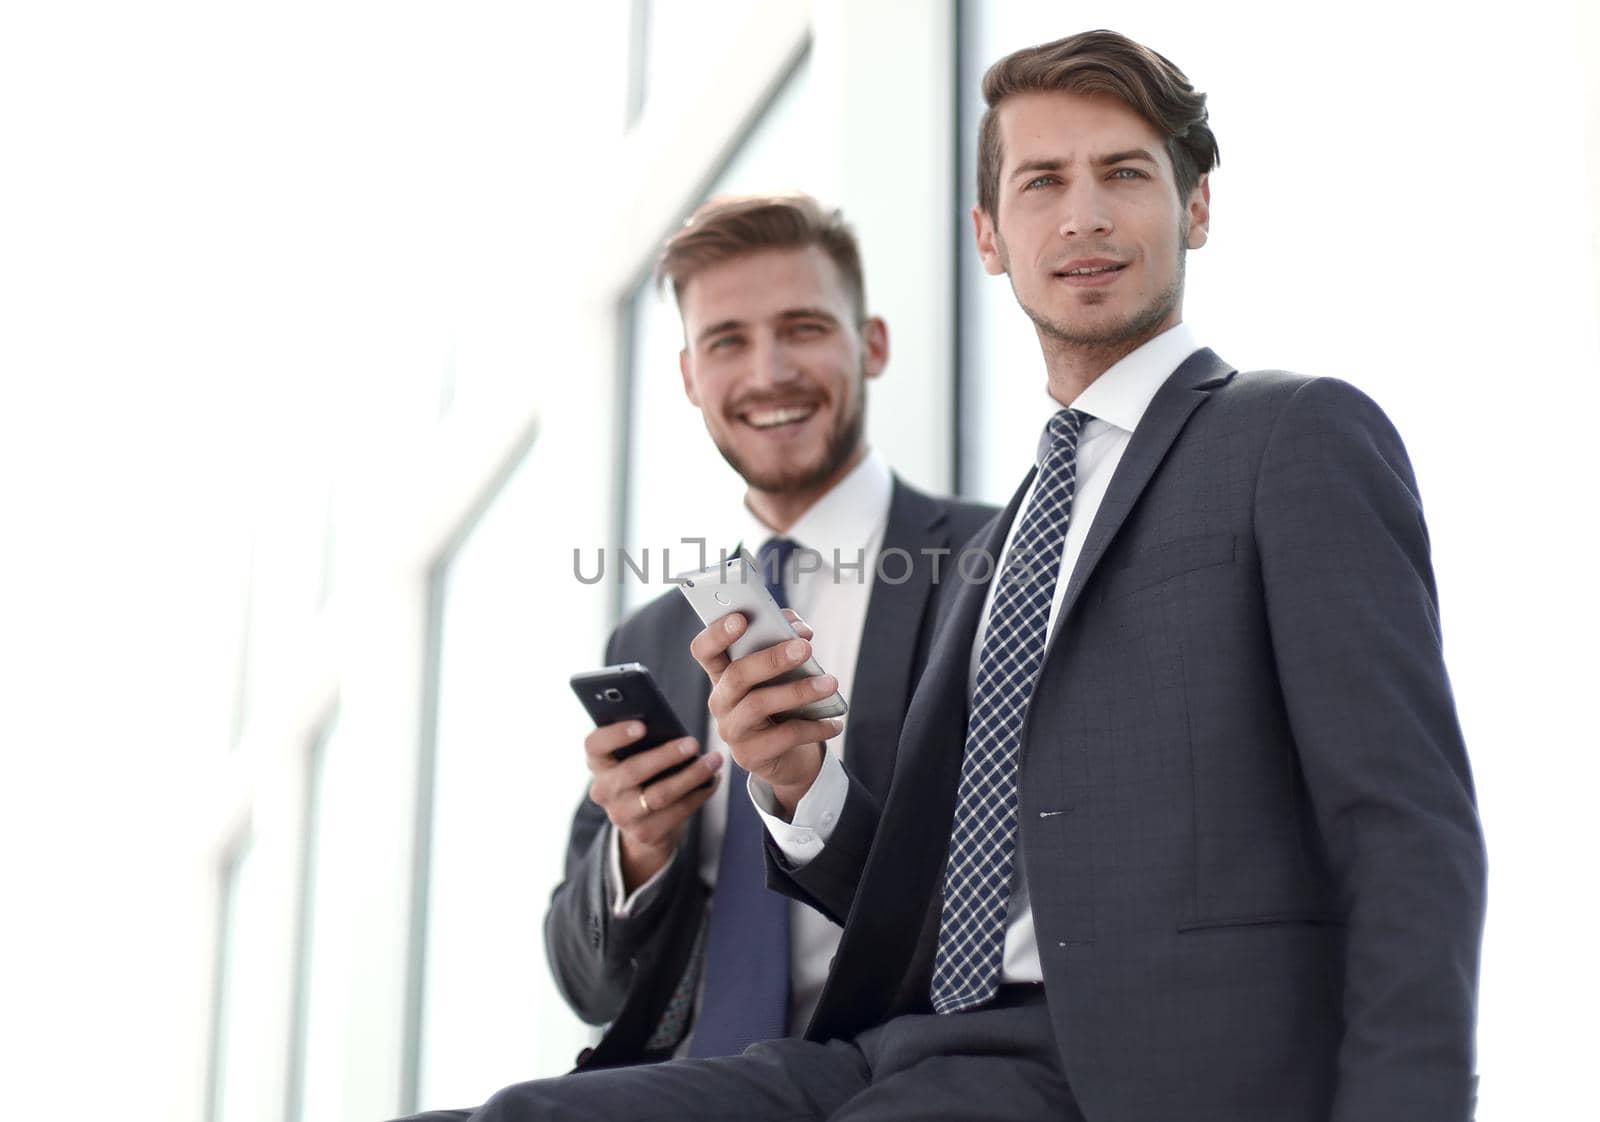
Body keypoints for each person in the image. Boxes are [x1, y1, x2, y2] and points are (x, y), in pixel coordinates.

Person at [422, 29, 1487, 1122]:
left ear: (1195, 209)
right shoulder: (1009, 539)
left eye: (1122, 173)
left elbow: (1402, 822)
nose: (1081, 215)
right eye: (1041, 184)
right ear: (988, 236)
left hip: (1115, 1054)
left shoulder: (1291, 433)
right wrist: (798, 781)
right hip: (892, 1042)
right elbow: (932, 889)